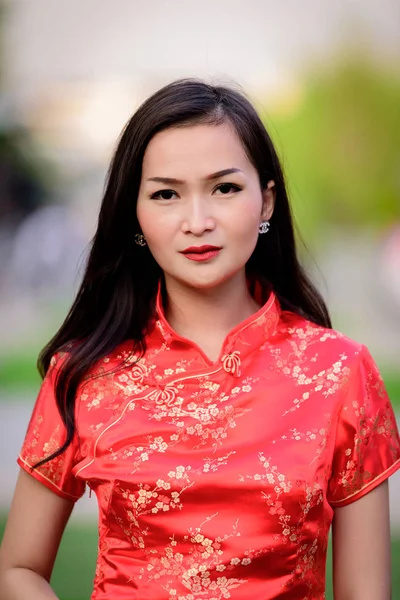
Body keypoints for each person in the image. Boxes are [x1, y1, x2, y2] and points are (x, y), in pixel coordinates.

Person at [0, 79, 399, 600]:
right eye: (167, 194)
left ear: (266, 203)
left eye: (225, 188)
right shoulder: (86, 374)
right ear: (136, 216)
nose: (198, 221)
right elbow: (19, 569)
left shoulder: (339, 372)